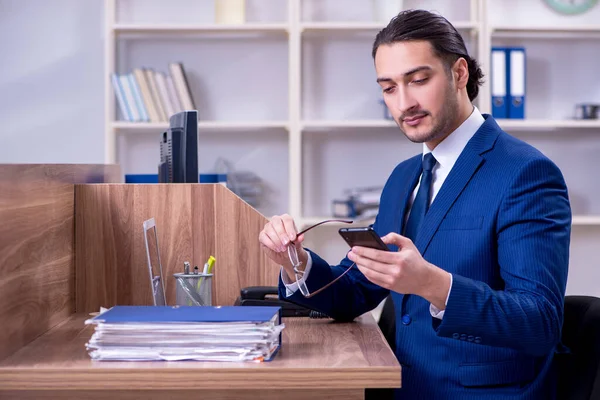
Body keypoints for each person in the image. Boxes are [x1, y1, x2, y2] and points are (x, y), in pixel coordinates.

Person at [258, 9, 571, 399]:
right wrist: (297, 265)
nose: (404, 102)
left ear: (460, 74)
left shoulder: (526, 173)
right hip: (402, 385)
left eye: (418, 80)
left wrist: (432, 284)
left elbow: (539, 322)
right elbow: (356, 290)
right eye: (389, 88)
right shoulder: (405, 175)